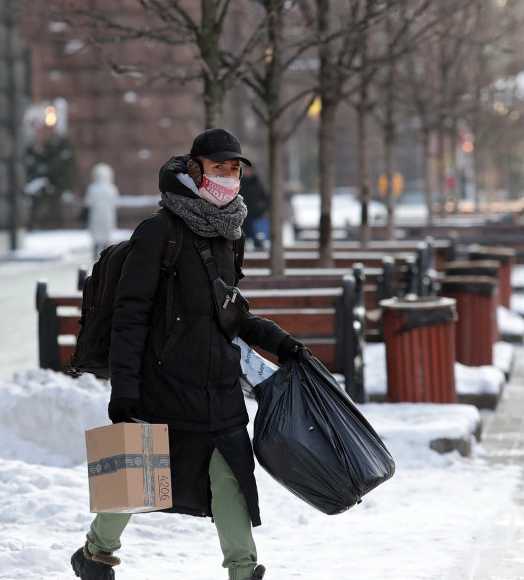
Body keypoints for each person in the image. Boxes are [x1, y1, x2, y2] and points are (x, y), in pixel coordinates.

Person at [70, 128, 308, 580]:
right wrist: (125, 391)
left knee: (231, 479)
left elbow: (229, 311)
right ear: (195, 170)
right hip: (165, 383)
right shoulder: (159, 232)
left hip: (218, 383)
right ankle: (96, 551)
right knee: (139, 471)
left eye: (235, 169)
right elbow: (130, 316)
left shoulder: (228, 233)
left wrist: (279, 341)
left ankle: (243, 570)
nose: (230, 177)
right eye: (220, 168)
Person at [84, 162, 120, 258]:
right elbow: (115, 202)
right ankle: (105, 255)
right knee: (106, 236)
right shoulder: (112, 188)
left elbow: (88, 202)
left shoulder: (92, 188)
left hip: (96, 216)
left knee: (96, 236)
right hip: (108, 215)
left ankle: (95, 255)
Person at [239, 165, 269, 248]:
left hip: (255, 216)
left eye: (249, 170)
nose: (247, 172)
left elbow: (266, 199)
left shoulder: (258, 185)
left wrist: (261, 210)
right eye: (246, 170)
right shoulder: (239, 184)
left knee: (258, 239)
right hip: (242, 217)